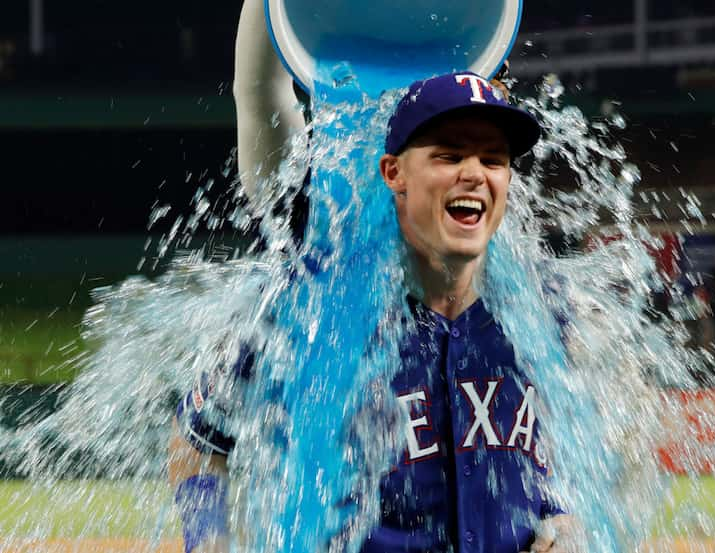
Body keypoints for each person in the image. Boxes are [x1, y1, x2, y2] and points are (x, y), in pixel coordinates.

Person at [168, 1, 584, 552]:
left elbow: (580, 448)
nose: (474, 174)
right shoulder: (315, 303)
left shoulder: (539, 306)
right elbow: (197, 439)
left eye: (493, 158)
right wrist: (207, 544)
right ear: (393, 173)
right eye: (449, 154)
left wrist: (567, 517)